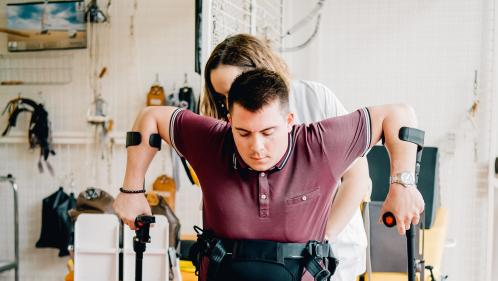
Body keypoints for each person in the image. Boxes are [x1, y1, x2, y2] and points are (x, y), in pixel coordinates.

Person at [114, 68, 425, 281]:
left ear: (289, 120)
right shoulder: (213, 141)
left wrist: (403, 182)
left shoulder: (318, 143)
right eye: (244, 132)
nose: (257, 147)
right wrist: (132, 189)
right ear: (228, 120)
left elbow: (399, 114)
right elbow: (152, 117)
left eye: (268, 131)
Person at [201, 34, 370, 280]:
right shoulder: (233, 126)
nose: (230, 102)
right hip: (268, 263)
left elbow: (357, 178)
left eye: (236, 87)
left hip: (332, 254)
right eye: (222, 97)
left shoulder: (313, 98)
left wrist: (321, 239)